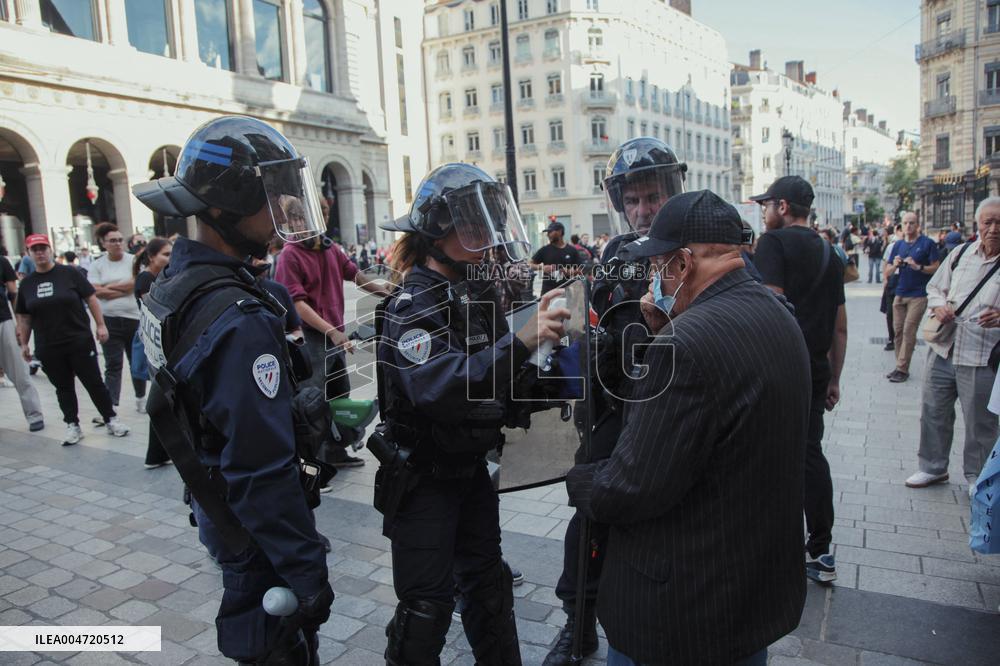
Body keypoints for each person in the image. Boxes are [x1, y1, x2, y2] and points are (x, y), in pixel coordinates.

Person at [567, 191, 811, 665]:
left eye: (658, 267)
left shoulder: (687, 343)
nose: (653, 280)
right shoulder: (776, 314)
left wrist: (577, 479)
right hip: (748, 595)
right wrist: (664, 329)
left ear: (682, 263)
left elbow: (634, 484)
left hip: (681, 611)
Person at [132, 115, 334, 663]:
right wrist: (306, 566)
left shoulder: (178, 284)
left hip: (217, 506)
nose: (281, 216)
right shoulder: (239, 316)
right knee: (277, 647)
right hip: (255, 530)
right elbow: (259, 464)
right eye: (270, 200)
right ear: (228, 203)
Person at [374, 163, 566, 665]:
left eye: (489, 225)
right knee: (426, 608)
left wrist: (545, 355)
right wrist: (520, 342)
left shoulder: (474, 292)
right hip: (423, 480)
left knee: (488, 588)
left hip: (470, 471)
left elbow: (498, 378)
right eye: (474, 226)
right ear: (439, 233)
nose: (487, 238)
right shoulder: (413, 303)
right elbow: (440, 387)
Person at [545, 136, 687, 665]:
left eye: (653, 197)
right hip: (617, 408)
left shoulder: (698, 251)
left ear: (672, 192)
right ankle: (578, 625)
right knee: (589, 513)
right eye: (634, 200)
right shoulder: (611, 256)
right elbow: (593, 331)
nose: (644, 209)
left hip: (677, 408)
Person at [751, 175, 847, 584]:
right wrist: (834, 378)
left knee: (768, 456)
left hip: (779, 368)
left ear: (783, 207)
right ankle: (821, 549)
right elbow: (840, 327)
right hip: (816, 369)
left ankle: (773, 548)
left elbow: (771, 310)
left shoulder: (772, 244)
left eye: (766, 205)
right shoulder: (831, 250)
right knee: (810, 454)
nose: (763, 212)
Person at [274, 198, 389, 468]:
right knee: (310, 403)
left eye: (313, 217)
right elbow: (297, 304)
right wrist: (333, 332)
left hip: (334, 337)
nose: (305, 224)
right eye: (298, 219)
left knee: (339, 397)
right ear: (290, 222)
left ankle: (336, 454)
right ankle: (311, 465)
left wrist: (388, 292)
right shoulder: (289, 255)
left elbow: (355, 275)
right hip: (309, 340)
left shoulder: (330, 249)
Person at [905, 197, 1000, 490]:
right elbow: (934, 287)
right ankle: (932, 467)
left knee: (980, 422)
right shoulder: (960, 253)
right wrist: (939, 305)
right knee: (933, 410)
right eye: (988, 222)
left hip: (981, 354)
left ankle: (977, 477)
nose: (994, 229)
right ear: (977, 224)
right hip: (944, 346)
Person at [14, 234, 129, 445]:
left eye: (43, 248)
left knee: (93, 382)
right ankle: (72, 425)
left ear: (50, 250)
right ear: (29, 254)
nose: (40, 253)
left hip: (78, 339)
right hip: (48, 345)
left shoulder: (69, 273)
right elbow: (24, 317)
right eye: (35, 249)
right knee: (63, 387)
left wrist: (101, 325)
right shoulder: (27, 284)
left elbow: (91, 298)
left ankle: (111, 419)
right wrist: (23, 344)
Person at [88, 222, 146, 413]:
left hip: (134, 319)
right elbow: (95, 291)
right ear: (104, 243)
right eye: (112, 241)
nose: (117, 244)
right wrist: (123, 288)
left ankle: (140, 398)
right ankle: (111, 404)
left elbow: (135, 283)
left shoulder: (132, 261)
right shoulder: (97, 265)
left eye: (120, 240)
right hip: (109, 320)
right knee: (113, 364)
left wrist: (108, 287)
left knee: (136, 360)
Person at [884, 212, 940, 383]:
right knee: (898, 331)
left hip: (919, 294)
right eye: (905, 223)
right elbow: (886, 272)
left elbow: (936, 267)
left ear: (918, 225)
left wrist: (918, 266)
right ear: (901, 225)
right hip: (899, 293)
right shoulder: (897, 245)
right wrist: (894, 265)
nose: (908, 226)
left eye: (912, 223)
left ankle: (902, 368)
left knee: (909, 330)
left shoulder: (927, 244)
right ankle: (900, 365)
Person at [133, 238, 173, 468]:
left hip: (160, 342)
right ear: (152, 257)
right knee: (161, 397)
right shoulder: (146, 279)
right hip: (155, 344)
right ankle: (157, 453)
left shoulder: (160, 277)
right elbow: (156, 308)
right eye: (166, 255)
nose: (170, 259)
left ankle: (159, 453)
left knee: (164, 398)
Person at [0, 250, 44, 431]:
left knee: (18, 370)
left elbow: (13, 293)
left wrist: (19, 324)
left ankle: (34, 414)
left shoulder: (2, 261)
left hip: (3, 321)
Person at [531, 220, 584, 295]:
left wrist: (568, 272)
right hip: (548, 293)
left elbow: (581, 270)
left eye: (550, 232)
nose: (548, 235)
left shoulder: (572, 250)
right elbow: (530, 264)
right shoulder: (544, 250)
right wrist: (542, 267)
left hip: (567, 292)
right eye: (547, 233)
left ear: (559, 232)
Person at [880, 223, 905, 350]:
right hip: (892, 281)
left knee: (903, 313)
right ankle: (892, 338)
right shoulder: (892, 247)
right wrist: (885, 279)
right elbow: (885, 264)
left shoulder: (912, 247)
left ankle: (903, 339)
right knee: (890, 312)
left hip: (905, 282)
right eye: (901, 230)